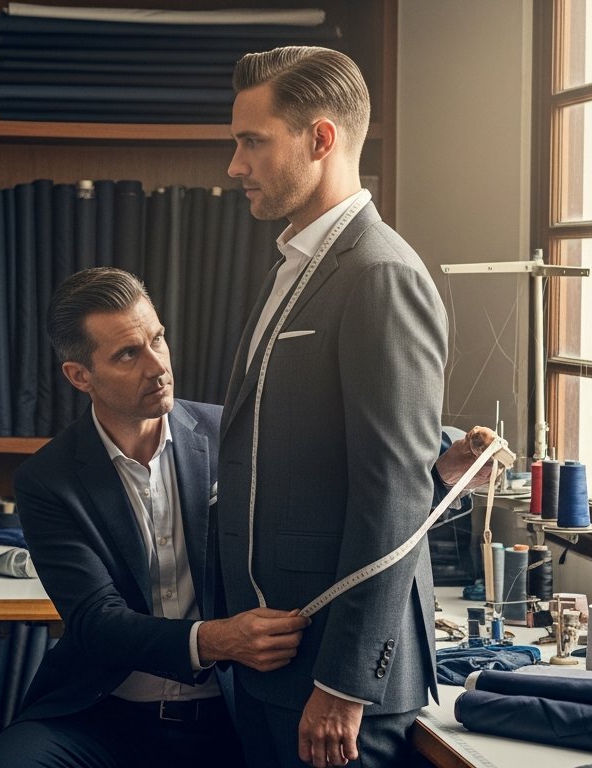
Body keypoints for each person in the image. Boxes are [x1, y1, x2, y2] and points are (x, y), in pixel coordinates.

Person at [0, 267, 312, 767]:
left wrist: (438, 472)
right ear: (79, 375)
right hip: (99, 717)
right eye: (128, 354)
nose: (157, 366)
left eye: (157, 339)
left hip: (231, 718)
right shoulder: (47, 479)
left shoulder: (233, 436)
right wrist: (220, 639)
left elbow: (328, 498)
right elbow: (97, 623)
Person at [215, 46, 447, 767]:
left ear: (320, 139)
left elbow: (395, 491)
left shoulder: (380, 275)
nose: (234, 165)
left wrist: (344, 683)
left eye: (252, 141)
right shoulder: (294, 262)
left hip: (335, 684)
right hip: (270, 659)